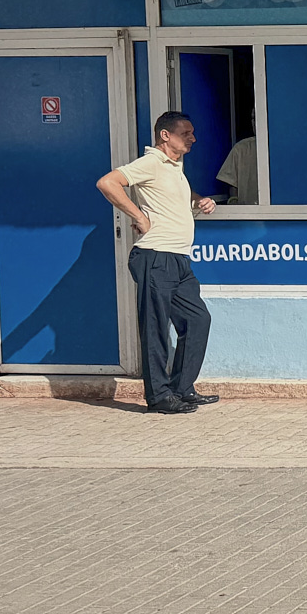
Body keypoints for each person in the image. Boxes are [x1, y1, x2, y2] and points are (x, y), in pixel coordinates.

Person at [96, 111, 218, 415]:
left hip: (179, 259)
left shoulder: (175, 168)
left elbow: (176, 196)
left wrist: (198, 200)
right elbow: (108, 183)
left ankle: (181, 389)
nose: (193, 138)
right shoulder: (151, 162)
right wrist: (138, 216)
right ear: (166, 135)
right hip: (155, 256)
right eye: (186, 133)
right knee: (156, 329)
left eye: (192, 133)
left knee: (198, 320)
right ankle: (159, 397)